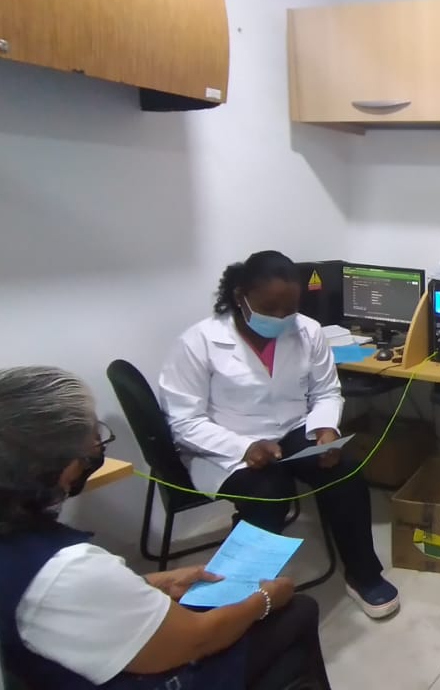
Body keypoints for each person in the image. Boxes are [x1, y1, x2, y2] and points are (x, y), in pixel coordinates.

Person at [0, 366, 331, 690]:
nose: (97, 444)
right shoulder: (69, 568)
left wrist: (151, 583)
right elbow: (197, 640)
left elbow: (68, 604)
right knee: (297, 609)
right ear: (61, 467)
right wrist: (265, 599)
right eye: (92, 436)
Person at [158, 250, 399, 619]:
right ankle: (236, 597)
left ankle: (364, 574)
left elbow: (325, 391)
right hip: (225, 444)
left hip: (292, 429)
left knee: (345, 472)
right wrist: (244, 447)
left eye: (291, 308)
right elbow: (184, 421)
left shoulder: (307, 331)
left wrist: (325, 428)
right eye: (271, 308)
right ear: (241, 297)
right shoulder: (198, 342)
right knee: (269, 493)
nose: (283, 318)